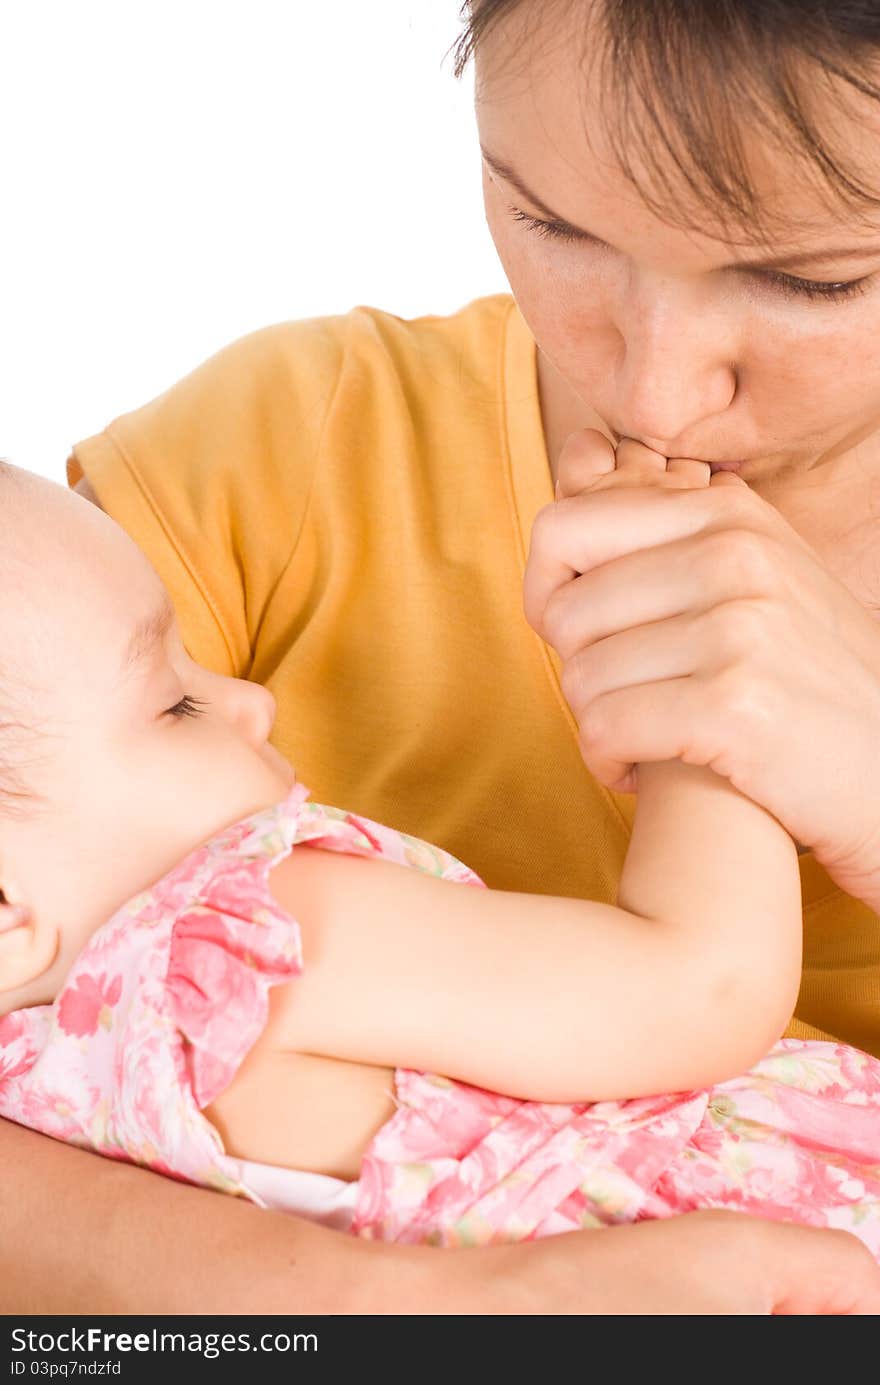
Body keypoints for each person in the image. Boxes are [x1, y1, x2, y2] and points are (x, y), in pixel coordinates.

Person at [3, 0, 880, 1313]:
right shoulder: (282, 462)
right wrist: (412, 1319)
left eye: (810, 280)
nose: (649, 392)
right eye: (555, 222)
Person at [3, 455, 877, 1258]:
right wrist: (697, 690)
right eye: (175, 704)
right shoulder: (245, 950)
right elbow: (702, 989)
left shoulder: (44, 1089)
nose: (251, 701)